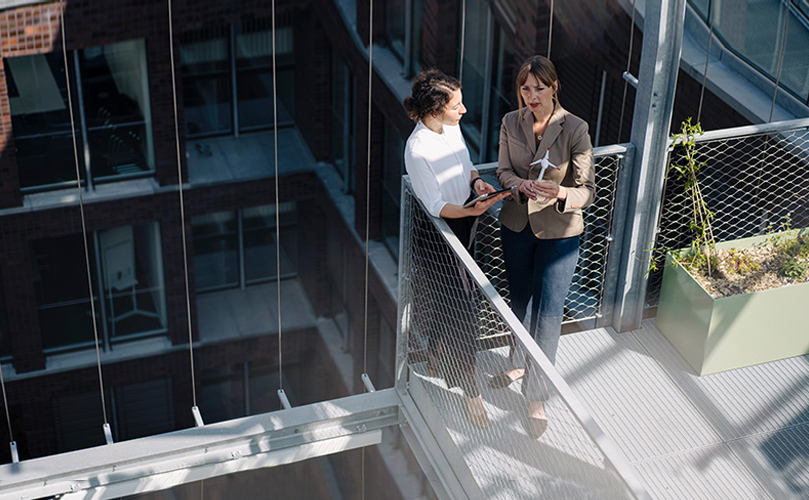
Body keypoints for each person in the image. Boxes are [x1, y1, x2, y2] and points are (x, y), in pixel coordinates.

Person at [493, 55, 595, 438]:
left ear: (554, 88)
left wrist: (560, 191)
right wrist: (518, 185)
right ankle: (518, 361)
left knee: (550, 313)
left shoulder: (575, 128)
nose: (531, 95)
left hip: (560, 232)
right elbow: (502, 171)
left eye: (539, 87)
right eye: (525, 88)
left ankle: (536, 395)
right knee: (520, 301)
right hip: (517, 223)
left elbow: (588, 191)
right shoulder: (509, 122)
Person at [403, 68, 509, 429]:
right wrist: (468, 209)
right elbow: (433, 204)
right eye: (456, 105)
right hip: (441, 232)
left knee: (454, 301)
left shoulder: (449, 127)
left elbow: (464, 166)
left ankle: (435, 356)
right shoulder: (417, 150)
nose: (463, 111)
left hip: (467, 219)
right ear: (435, 109)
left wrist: (477, 182)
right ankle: (470, 390)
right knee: (464, 308)